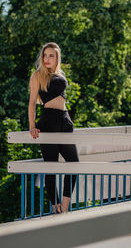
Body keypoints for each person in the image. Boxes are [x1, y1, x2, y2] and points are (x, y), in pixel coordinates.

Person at [28, 42, 79, 213]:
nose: (47, 58)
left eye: (51, 55)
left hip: (64, 121)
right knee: (51, 166)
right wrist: (32, 126)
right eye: (45, 55)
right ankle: (55, 206)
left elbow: (62, 99)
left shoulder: (60, 74)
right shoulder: (37, 75)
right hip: (48, 121)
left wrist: (68, 119)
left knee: (74, 163)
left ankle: (64, 204)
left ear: (57, 58)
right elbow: (32, 104)